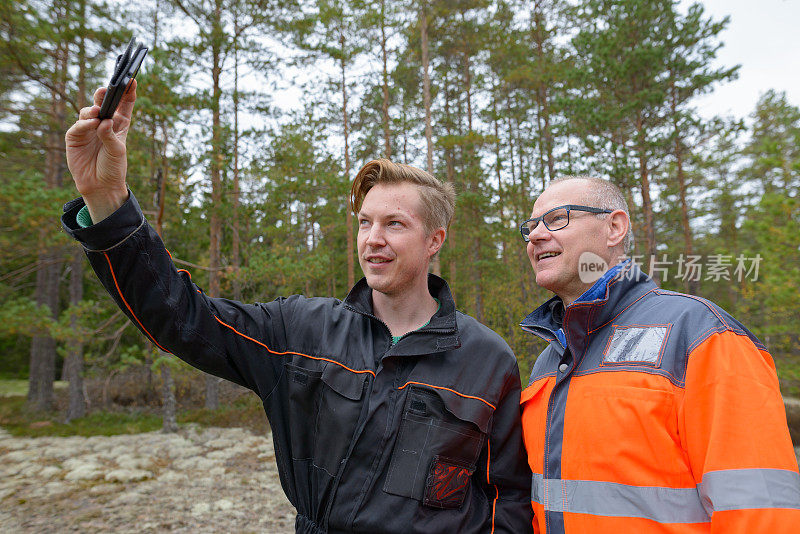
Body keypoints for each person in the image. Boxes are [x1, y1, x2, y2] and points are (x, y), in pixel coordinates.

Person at [61, 81, 533, 534]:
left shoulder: (487, 361)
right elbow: (181, 317)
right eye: (365, 222)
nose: (373, 239)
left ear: (435, 240)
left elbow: (506, 501)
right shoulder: (302, 331)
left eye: (394, 224)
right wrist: (107, 200)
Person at [517, 176, 800, 533]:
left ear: (614, 227)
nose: (537, 236)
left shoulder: (700, 332)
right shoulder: (550, 359)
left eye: (557, 218)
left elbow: (761, 509)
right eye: (530, 227)